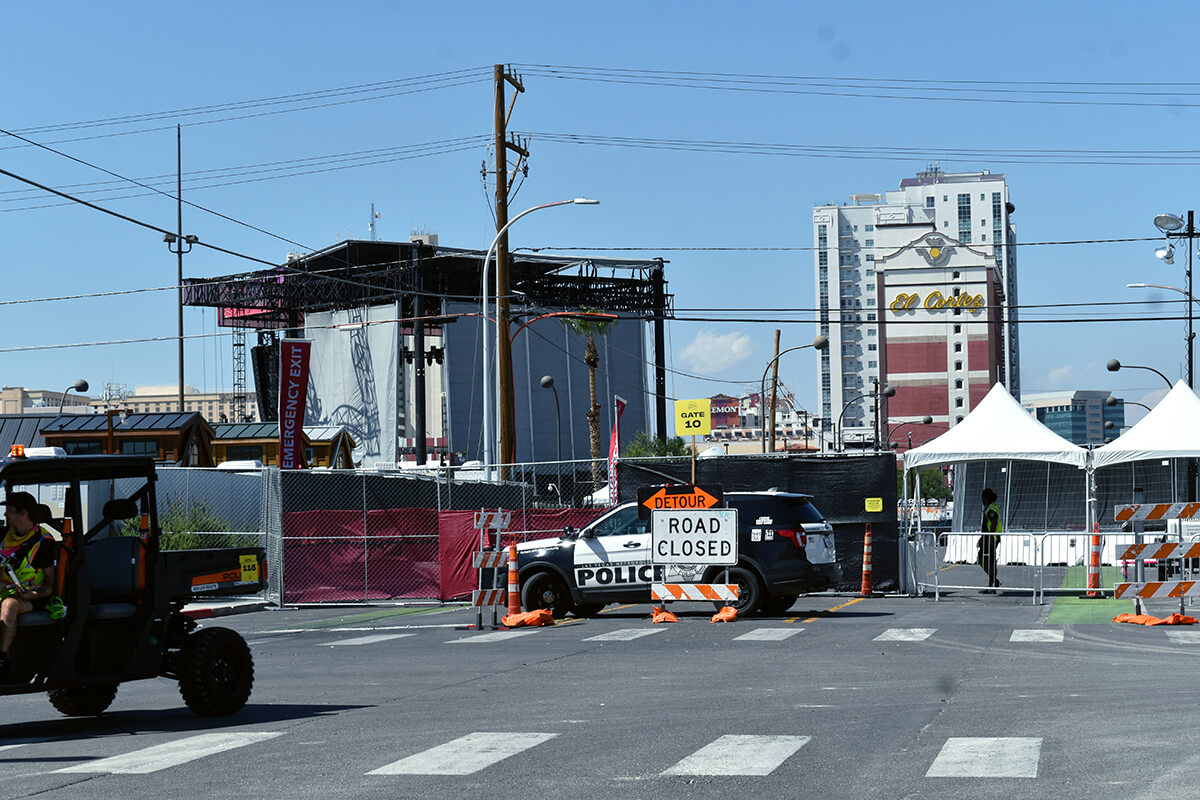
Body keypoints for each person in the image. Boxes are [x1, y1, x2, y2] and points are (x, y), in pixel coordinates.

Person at [0, 492, 58, 672]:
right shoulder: (4, 536)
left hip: (33, 598)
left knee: (10, 606)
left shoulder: (44, 542)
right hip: (5, 591)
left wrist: (31, 594)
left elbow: (50, 586)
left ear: (23, 512)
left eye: (8, 511)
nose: (4, 515)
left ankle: (1, 658)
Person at [977, 488, 1002, 593]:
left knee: (986, 560)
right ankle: (993, 581)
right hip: (987, 537)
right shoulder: (989, 508)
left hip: (990, 538)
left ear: (985, 498)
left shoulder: (991, 509)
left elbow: (993, 523)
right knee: (985, 560)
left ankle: (993, 582)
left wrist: (990, 537)